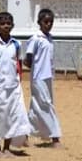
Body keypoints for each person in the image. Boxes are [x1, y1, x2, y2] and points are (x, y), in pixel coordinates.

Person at [0, 11, 32, 158]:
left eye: (8, 24)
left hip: (13, 87)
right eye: (2, 24)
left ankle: (7, 147)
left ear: (13, 26)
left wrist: (18, 83)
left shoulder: (16, 45)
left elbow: (19, 65)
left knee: (12, 116)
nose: (6, 26)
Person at [25, 8, 63, 148]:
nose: (48, 24)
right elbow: (28, 57)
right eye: (46, 22)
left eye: (51, 22)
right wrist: (34, 68)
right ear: (39, 22)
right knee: (46, 104)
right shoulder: (36, 38)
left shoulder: (49, 38)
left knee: (37, 106)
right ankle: (55, 137)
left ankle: (25, 134)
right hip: (38, 77)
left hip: (47, 76)